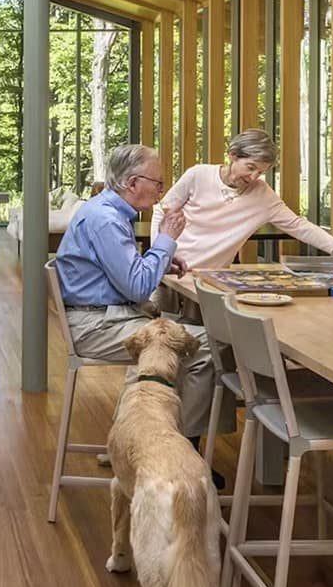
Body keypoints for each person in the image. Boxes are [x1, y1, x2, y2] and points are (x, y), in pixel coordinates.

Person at [55, 142, 235, 469]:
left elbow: (122, 272)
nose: (161, 190)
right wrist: (166, 240)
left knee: (185, 334)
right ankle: (178, 450)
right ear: (133, 183)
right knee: (208, 344)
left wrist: (160, 260)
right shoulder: (107, 219)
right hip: (96, 325)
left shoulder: (104, 211)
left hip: (103, 316)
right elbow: (138, 287)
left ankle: (139, 439)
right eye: (158, 182)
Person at [151, 129, 333, 275]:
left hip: (211, 278)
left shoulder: (262, 195)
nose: (254, 177)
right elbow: (162, 211)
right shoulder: (198, 175)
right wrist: (160, 255)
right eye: (250, 167)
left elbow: (299, 226)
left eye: (261, 172)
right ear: (233, 155)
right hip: (169, 270)